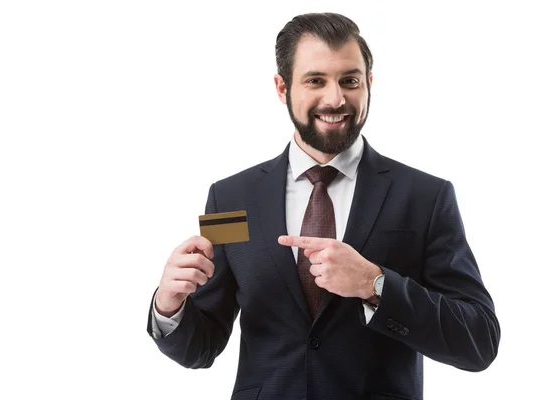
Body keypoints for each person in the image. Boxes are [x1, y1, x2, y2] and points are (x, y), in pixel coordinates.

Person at [146, 12, 500, 400]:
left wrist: (374, 284)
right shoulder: (230, 199)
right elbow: (203, 345)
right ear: (282, 88)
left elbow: (477, 340)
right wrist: (169, 304)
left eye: (350, 80)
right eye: (315, 80)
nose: (335, 98)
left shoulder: (426, 198)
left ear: (369, 84)